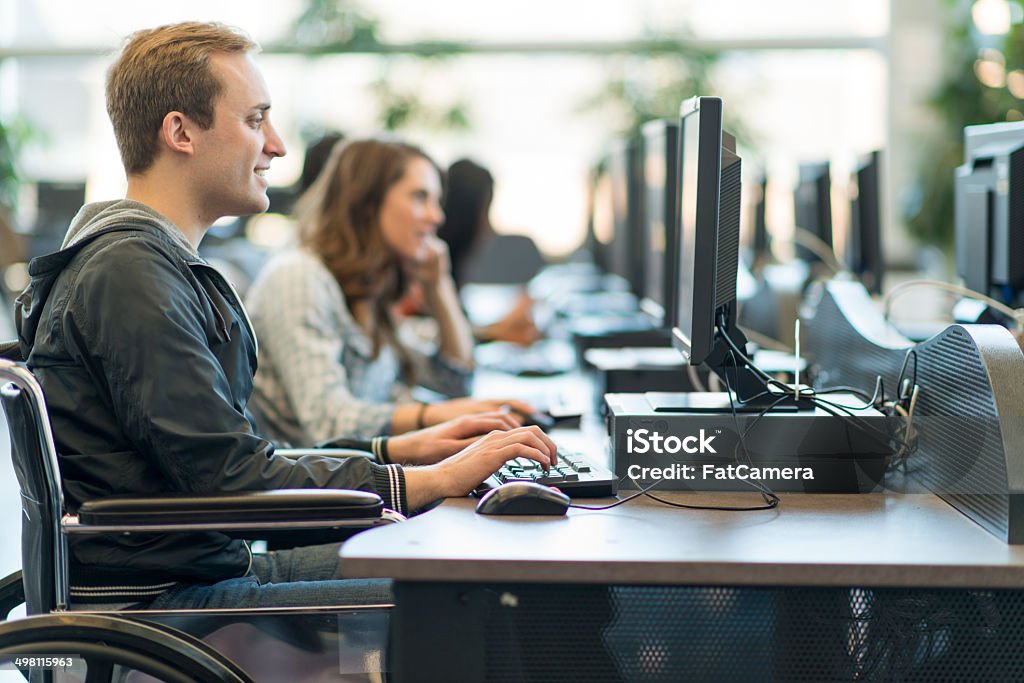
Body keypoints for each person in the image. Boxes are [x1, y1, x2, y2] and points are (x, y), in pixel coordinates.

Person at [14, 21, 555, 611]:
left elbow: (232, 457)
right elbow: (233, 478)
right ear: (180, 132)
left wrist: (402, 451)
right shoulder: (130, 275)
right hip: (167, 603)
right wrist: (427, 481)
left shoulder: (145, 263)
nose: (276, 145)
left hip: (207, 568)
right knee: (493, 592)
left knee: (477, 560)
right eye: (254, 120)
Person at [246, 139, 538, 445]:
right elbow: (327, 422)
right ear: (367, 204)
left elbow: (455, 381)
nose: (437, 217)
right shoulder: (298, 277)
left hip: (358, 479)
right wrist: (434, 415)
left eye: (437, 201)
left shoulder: (368, 284)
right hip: (312, 487)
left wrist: (439, 287)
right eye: (420, 197)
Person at [437, 158, 541, 347]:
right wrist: (497, 331)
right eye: (485, 213)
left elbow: (456, 327)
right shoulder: (426, 271)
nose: (488, 228)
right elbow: (428, 337)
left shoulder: (451, 269)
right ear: (466, 215)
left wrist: (498, 328)